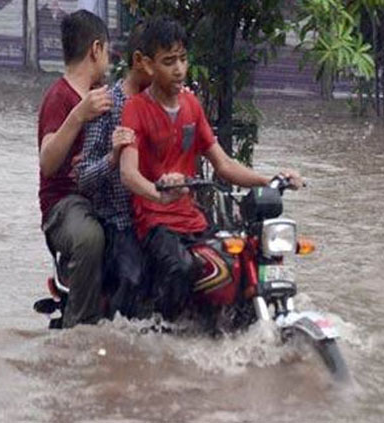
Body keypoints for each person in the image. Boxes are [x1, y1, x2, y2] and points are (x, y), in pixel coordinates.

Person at [118, 16, 303, 320]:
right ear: (148, 65)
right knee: (179, 268)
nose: (179, 69)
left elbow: (224, 164)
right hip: (154, 224)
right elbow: (128, 173)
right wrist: (158, 193)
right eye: (168, 61)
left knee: (239, 262)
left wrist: (272, 178)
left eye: (183, 59)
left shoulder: (192, 105)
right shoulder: (134, 108)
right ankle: (165, 333)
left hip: (193, 220)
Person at [37, 9, 112, 328]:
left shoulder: (106, 97)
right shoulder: (60, 97)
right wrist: (78, 115)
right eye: (108, 50)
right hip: (65, 207)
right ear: (96, 49)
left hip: (102, 195)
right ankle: (80, 327)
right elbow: (47, 162)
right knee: (90, 238)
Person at [76, 22, 151, 319]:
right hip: (119, 221)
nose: (175, 71)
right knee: (132, 279)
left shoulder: (171, 103)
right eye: (165, 61)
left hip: (159, 218)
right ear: (141, 61)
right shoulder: (107, 105)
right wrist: (113, 157)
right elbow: (83, 178)